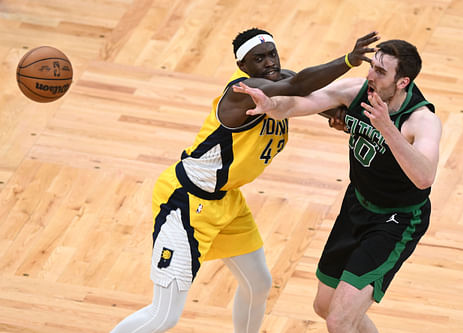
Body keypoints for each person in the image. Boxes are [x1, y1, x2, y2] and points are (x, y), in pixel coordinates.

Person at [110, 28, 379, 333]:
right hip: (187, 201)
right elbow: (300, 84)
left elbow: (319, 99)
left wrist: (341, 118)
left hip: (227, 200)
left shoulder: (283, 81)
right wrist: (349, 60)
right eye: (258, 59)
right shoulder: (242, 93)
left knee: (258, 284)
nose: (269, 63)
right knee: (165, 315)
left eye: (272, 54)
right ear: (243, 67)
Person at [233, 39, 442, 333]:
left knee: (340, 321)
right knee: (325, 306)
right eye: (373, 67)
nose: (371, 76)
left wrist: (387, 128)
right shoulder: (357, 91)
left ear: (402, 81)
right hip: (357, 204)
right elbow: (302, 103)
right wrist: (272, 105)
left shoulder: (422, 121)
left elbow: (424, 176)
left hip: (397, 220)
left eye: (381, 72)